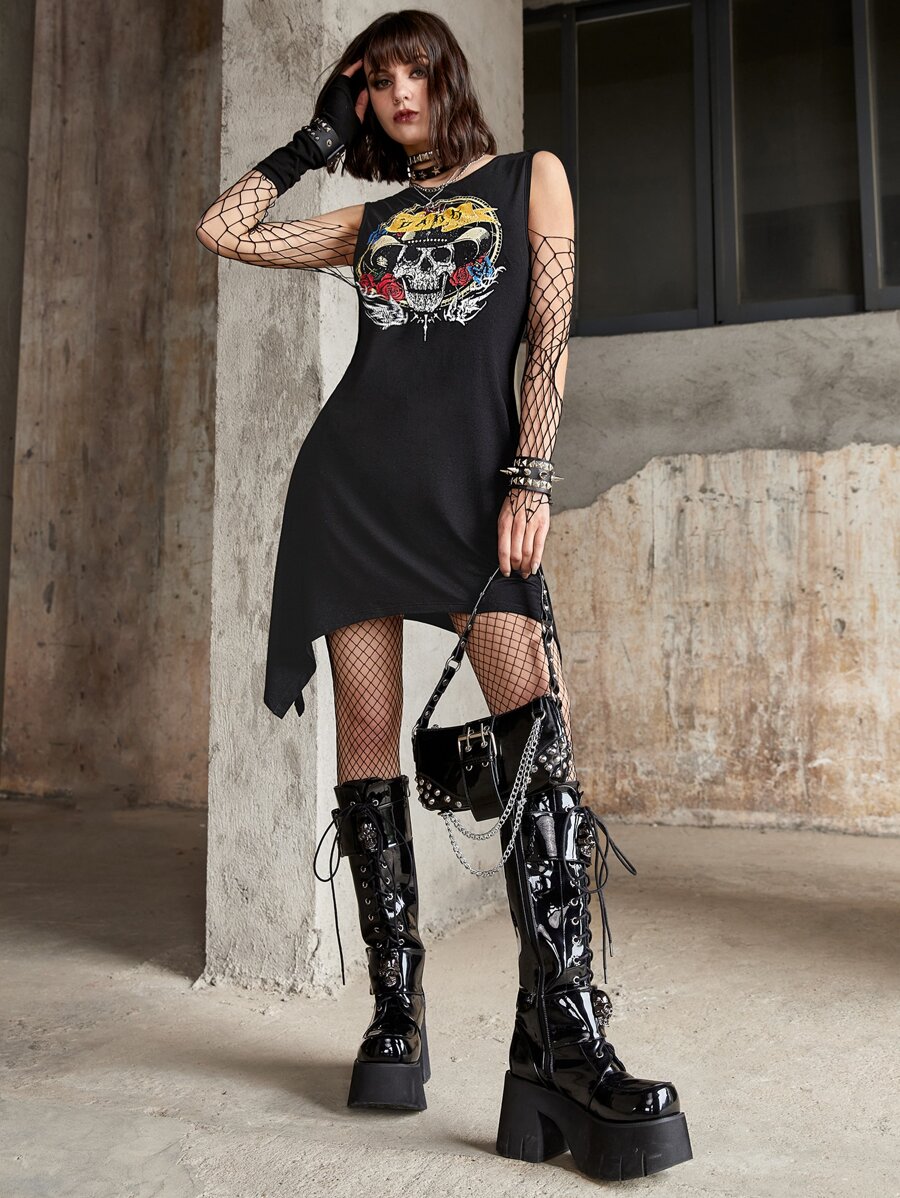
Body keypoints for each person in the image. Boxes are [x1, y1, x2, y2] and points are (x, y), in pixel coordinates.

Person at [196, 9, 691, 1183]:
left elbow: (549, 337)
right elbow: (224, 229)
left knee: (536, 742)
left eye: (413, 70)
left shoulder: (529, 179)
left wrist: (531, 472)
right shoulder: (365, 220)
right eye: (376, 80)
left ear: (446, 76)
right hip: (353, 492)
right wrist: (317, 137)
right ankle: (395, 1015)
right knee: (368, 732)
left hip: (473, 493)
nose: (399, 92)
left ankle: (560, 1037)